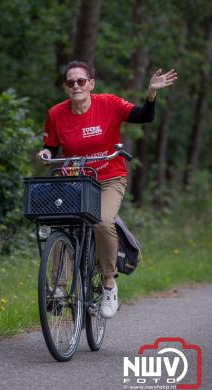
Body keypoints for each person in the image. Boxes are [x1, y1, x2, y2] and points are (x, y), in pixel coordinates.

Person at [37, 60, 177, 319]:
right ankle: (57, 288)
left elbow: (143, 116)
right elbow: (52, 147)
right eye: (71, 82)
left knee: (102, 223)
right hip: (76, 179)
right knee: (61, 225)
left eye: (81, 81)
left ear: (91, 84)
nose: (76, 85)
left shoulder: (109, 104)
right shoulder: (56, 113)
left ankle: (109, 283)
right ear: (65, 87)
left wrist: (151, 93)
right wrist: (45, 153)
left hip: (110, 177)